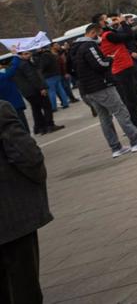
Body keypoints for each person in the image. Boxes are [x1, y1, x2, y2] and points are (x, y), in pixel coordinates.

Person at [71, 24, 137, 158]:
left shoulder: (74, 49)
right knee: (121, 111)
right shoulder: (89, 46)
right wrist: (110, 59)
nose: (99, 37)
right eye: (98, 34)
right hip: (100, 86)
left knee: (105, 118)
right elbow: (100, 64)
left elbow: (72, 70)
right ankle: (136, 141)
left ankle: (116, 147)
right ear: (93, 32)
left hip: (88, 89)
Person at [0, 99, 52, 304]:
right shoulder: (1, 109)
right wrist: (38, 177)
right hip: (11, 214)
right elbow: (28, 155)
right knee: (24, 283)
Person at [100, 17, 137, 133]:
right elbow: (128, 35)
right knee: (130, 100)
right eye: (108, 19)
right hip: (120, 71)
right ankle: (135, 127)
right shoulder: (108, 35)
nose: (111, 21)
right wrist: (123, 23)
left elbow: (128, 37)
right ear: (102, 23)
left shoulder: (111, 33)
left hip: (126, 67)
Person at [10, 52, 62, 136]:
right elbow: (33, 77)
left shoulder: (14, 65)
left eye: (29, 53)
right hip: (35, 90)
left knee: (36, 109)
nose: (29, 55)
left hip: (27, 92)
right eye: (26, 54)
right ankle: (50, 125)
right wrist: (41, 88)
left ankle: (41, 127)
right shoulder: (24, 64)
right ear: (20, 55)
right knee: (46, 106)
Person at [35, 46, 71, 111]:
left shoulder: (44, 56)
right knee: (60, 90)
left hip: (49, 76)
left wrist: (40, 70)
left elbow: (43, 66)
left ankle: (53, 107)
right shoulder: (52, 54)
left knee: (51, 92)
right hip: (57, 74)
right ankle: (65, 103)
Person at [0, 53, 29, 131]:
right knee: (22, 124)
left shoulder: (4, 75)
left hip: (4, 109)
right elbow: (13, 67)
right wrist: (15, 55)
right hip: (15, 105)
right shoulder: (4, 76)